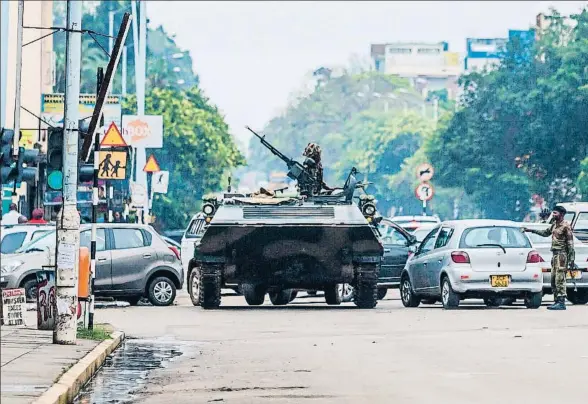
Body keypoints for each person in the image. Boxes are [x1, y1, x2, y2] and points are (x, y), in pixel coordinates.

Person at [522, 205, 574, 310]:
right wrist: (531, 230)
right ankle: (556, 301)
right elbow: (545, 233)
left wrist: (571, 259)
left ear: (562, 214)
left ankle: (561, 301)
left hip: (562, 255)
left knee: (560, 278)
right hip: (555, 254)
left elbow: (570, 244)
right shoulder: (554, 225)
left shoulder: (566, 226)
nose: (553, 215)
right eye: (553, 213)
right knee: (554, 278)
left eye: (556, 213)